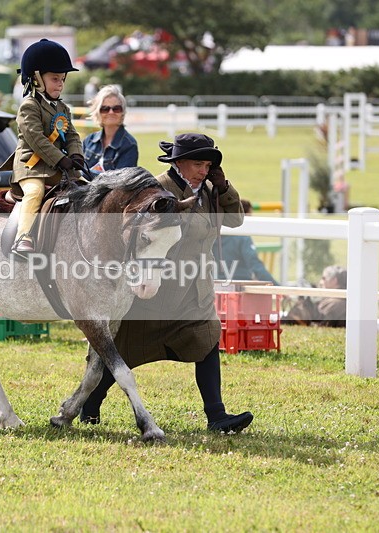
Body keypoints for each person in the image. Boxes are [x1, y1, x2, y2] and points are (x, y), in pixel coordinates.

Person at [80, 133, 254, 433]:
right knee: (124, 349)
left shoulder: (212, 189)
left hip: (196, 287)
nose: (204, 170)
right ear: (179, 163)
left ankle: (217, 416)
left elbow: (236, 219)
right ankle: (90, 402)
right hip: (160, 285)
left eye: (208, 164)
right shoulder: (157, 190)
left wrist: (224, 186)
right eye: (198, 164)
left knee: (208, 340)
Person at [0, 39, 84, 256]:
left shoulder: (63, 107)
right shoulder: (29, 106)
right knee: (35, 192)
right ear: (36, 79)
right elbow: (36, 139)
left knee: (86, 191)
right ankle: (23, 238)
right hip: (32, 167)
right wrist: (61, 159)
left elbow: (72, 134)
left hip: (56, 168)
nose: (60, 84)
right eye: (55, 79)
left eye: (63, 79)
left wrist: (76, 154)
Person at [216, 199, 279, 285]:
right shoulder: (242, 238)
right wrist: (278, 287)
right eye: (250, 216)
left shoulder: (213, 235)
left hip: (215, 285)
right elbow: (256, 266)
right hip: (239, 286)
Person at [81, 85, 139, 172]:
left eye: (116, 108)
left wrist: (89, 175)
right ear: (97, 112)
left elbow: (121, 182)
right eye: (105, 109)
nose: (111, 112)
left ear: (123, 111)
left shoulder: (129, 145)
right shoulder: (88, 141)